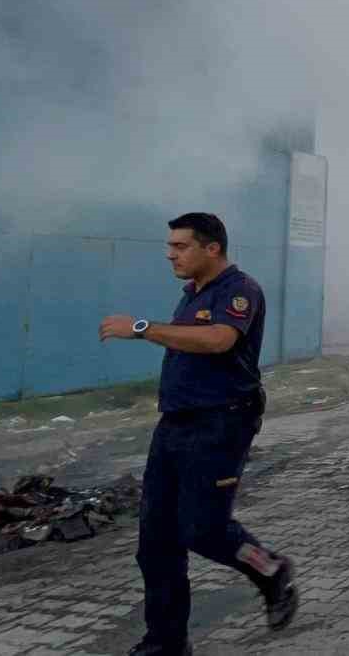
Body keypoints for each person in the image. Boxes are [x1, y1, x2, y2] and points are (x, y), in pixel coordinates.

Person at [97, 213, 296, 656]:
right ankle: (166, 643)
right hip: (174, 424)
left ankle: (270, 569)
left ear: (212, 249)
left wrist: (143, 329)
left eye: (180, 246)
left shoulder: (240, 290)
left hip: (222, 422)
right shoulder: (192, 294)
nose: (171, 254)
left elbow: (219, 340)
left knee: (203, 529)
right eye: (170, 246)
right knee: (155, 542)